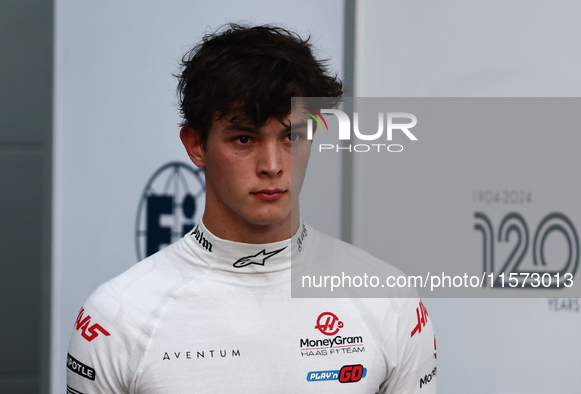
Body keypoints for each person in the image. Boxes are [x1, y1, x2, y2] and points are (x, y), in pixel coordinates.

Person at [66, 24, 436, 393]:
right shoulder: (116, 318)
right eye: (244, 138)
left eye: (292, 136)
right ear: (196, 144)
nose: (272, 165)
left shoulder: (390, 301)